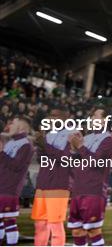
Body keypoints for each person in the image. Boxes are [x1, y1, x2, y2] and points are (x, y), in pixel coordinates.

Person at [68, 107, 112, 246]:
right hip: (78, 190)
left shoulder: (109, 139)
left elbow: (95, 162)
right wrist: (73, 148)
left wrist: (80, 146)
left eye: (96, 116)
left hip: (93, 191)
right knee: (77, 231)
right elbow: (75, 161)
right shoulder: (87, 137)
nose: (92, 118)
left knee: (93, 231)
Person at [31, 105, 72, 246]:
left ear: (66, 116)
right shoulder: (49, 134)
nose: (52, 118)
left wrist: (45, 146)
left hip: (58, 184)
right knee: (40, 224)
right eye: (51, 115)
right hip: (43, 183)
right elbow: (41, 160)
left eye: (56, 115)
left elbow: (66, 159)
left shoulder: (73, 134)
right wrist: (40, 146)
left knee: (55, 224)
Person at [0, 116, 34, 246]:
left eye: (13, 123)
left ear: (21, 127)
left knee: (9, 221)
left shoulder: (26, 145)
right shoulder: (11, 142)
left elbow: (17, 166)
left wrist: (2, 152)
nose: (9, 126)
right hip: (2, 186)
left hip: (9, 189)